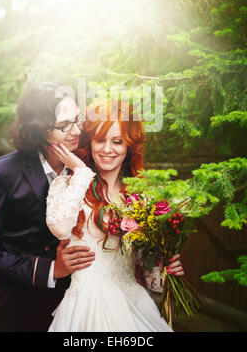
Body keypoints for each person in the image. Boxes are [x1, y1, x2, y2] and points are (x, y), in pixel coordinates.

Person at [46, 99, 184, 332]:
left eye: (117, 141)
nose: (107, 149)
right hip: (86, 305)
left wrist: (165, 271)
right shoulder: (70, 183)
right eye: (100, 140)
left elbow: (150, 278)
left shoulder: (142, 197)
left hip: (133, 303)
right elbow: (59, 228)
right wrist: (82, 173)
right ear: (90, 143)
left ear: (130, 146)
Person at [0, 82, 96, 332]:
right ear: (39, 129)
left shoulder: (90, 166)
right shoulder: (1, 174)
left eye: (77, 120)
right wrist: (51, 269)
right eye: (64, 126)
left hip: (79, 309)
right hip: (18, 311)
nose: (76, 131)